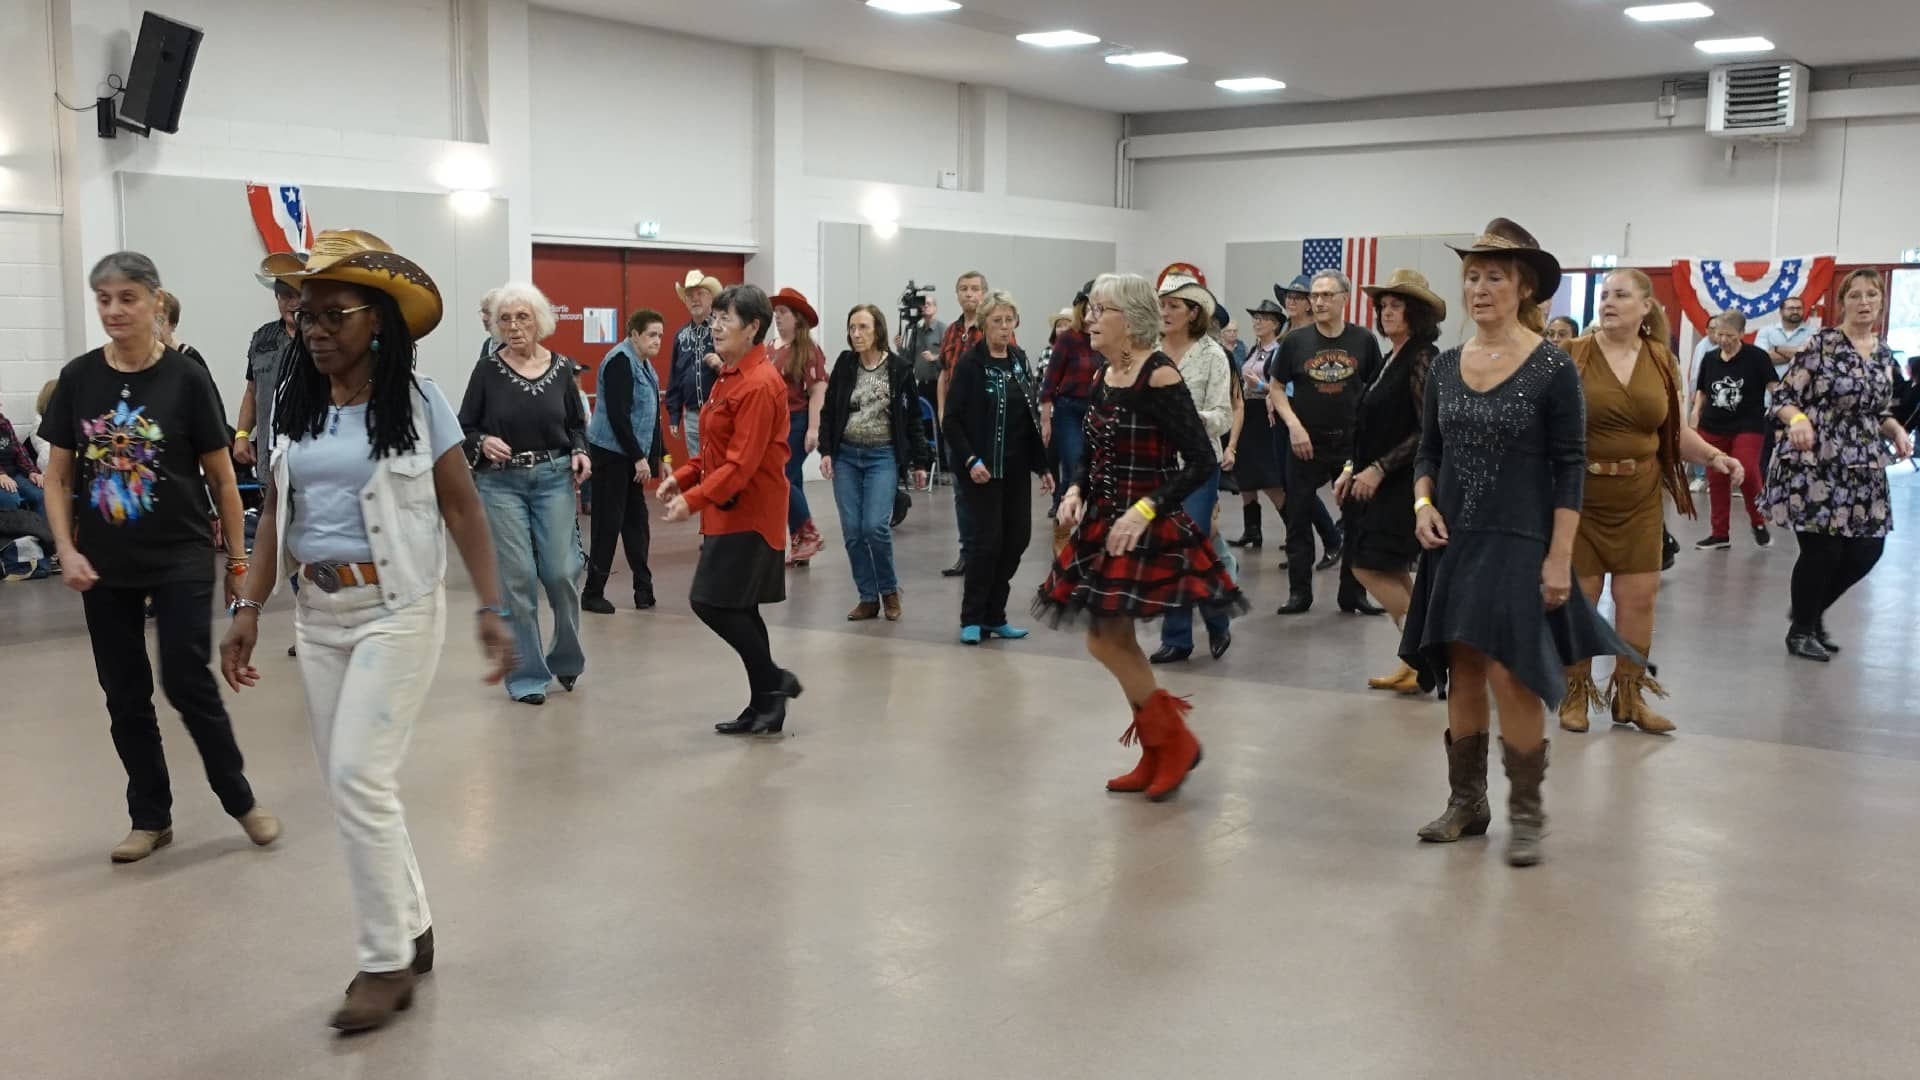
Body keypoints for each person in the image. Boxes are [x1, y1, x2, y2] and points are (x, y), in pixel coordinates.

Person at [216, 229, 513, 1033]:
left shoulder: (421, 405)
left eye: (329, 315)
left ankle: (384, 963)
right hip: (318, 618)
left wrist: (492, 608)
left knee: (356, 777)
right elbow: (277, 513)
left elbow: (463, 508)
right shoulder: (292, 401)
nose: (310, 329)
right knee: (359, 784)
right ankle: (411, 925)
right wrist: (247, 607)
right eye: (301, 316)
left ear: (376, 320)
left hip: (399, 611)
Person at [1400, 218, 1638, 867]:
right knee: (1465, 671)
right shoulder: (1446, 367)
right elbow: (1429, 449)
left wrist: (1561, 555)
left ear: (1523, 285)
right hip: (1452, 540)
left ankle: (1527, 812)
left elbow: (1569, 465)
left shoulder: (1554, 368)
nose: (1480, 288)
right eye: (1472, 276)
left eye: (1494, 276)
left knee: (1512, 673)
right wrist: (1422, 503)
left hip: (1520, 542)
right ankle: (1466, 803)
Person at [39, 251, 280, 864]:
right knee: (123, 693)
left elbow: (223, 480)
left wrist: (238, 559)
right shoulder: (77, 379)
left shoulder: (186, 378)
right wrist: (65, 549)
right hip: (102, 562)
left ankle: (240, 800)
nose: (115, 310)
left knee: (185, 678)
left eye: (127, 298)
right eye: (104, 299)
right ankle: (150, 816)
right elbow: (57, 475)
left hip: (180, 552)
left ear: (154, 302)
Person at [1037, 273, 1247, 800]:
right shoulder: (1106, 374)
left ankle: (1172, 742)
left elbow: (1200, 460)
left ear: (1129, 320)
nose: (1089, 318)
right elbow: (1091, 448)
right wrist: (1076, 488)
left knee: (1105, 638)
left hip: (1144, 525)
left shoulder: (1160, 376)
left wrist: (1147, 509)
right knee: (1111, 639)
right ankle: (1160, 747)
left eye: (1099, 310)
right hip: (1104, 522)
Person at [1560, 269, 1739, 735]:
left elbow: (1675, 434)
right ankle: (1574, 693)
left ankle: (1629, 698)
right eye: (1603, 295)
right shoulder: (1572, 355)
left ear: (1646, 307)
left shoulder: (1661, 359)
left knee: (1639, 599)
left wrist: (1716, 456)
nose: (1608, 302)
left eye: (1620, 295)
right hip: (1580, 495)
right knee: (1580, 598)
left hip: (1639, 497)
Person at [657, 285, 801, 735]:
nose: (715, 326)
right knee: (739, 606)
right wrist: (681, 478)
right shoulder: (730, 375)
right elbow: (715, 453)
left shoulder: (759, 384)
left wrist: (692, 499)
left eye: (726, 318)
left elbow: (742, 465)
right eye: (714, 317)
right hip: (725, 509)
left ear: (753, 327)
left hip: (749, 513)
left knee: (710, 602)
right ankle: (766, 705)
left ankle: (774, 681)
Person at [1768, 268, 1914, 662]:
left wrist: (1895, 428)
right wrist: (1797, 420)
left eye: (1871, 295)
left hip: (1864, 464)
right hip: (1816, 462)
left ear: (1882, 302)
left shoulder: (1884, 354)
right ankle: (1802, 630)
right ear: (1843, 302)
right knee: (1823, 551)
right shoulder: (1823, 345)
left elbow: (1876, 409)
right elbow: (1783, 396)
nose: (1864, 302)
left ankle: (1808, 611)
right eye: (1855, 295)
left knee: (1867, 549)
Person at [460, 282, 591, 705]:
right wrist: (480, 443)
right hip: (501, 484)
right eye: (505, 319)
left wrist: (581, 452)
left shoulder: (562, 368)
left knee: (560, 573)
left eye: (522, 317)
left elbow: (575, 425)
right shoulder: (486, 371)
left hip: (553, 478)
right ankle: (528, 675)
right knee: (517, 580)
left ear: (539, 321)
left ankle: (566, 655)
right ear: (495, 325)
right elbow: (464, 427)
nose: (514, 327)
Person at [1338, 269, 1446, 694]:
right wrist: (1352, 467)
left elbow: (1426, 429)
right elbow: (1370, 426)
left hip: (1403, 484)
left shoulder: (1424, 358)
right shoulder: (1390, 359)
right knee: (1391, 570)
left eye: (1395, 306)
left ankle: (1426, 660)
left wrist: (1380, 467)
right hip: (1373, 480)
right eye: (1382, 306)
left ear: (1415, 313)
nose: (1385, 313)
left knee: (1368, 564)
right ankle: (1414, 661)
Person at [1268, 268, 1385, 615]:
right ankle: (1299, 593)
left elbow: (1375, 390)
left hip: (1350, 446)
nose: (1318, 302)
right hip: (1306, 445)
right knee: (1298, 518)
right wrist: (1294, 426)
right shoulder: (1295, 342)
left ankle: (1353, 594)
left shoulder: (1363, 341)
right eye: (1314, 296)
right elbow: (1275, 387)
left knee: (1357, 521)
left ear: (1344, 299)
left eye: (1326, 295)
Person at [944, 290, 1053, 644]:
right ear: (985, 324)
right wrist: (970, 459)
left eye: (1010, 321)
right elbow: (952, 421)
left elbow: (1030, 419)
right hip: (982, 471)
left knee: (1016, 539)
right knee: (986, 543)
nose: (1005, 328)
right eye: (997, 321)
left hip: (1016, 469)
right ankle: (972, 617)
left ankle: (995, 614)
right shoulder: (970, 366)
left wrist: (1044, 466)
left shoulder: (1020, 360)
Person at [820, 304, 932, 621]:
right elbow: (829, 410)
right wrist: (827, 451)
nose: (856, 334)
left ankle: (889, 590)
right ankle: (867, 597)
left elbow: (912, 420)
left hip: (882, 455)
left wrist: (920, 462)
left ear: (878, 330)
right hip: (846, 456)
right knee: (853, 531)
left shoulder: (898, 369)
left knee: (875, 527)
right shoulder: (845, 364)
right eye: (852, 327)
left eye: (863, 327)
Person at [1148, 276, 1235, 663]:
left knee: (1185, 547)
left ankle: (1193, 630)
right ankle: (1198, 628)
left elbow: (1222, 416)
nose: (1165, 312)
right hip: (1156, 465)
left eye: (1174, 306)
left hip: (1198, 467)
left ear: (1193, 312)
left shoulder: (1213, 355)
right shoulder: (1148, 350)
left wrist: (1181, 416)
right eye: (1162, 305)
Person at [582, 309, 667, 614]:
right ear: (634, 334)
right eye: (651, 335)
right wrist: (638, 458)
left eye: (660, 335)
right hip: (611, 456)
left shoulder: (645, 366)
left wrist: (661, 455)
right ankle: (593, 592)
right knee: (608, 524)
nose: (657, 340)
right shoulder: (620, 361)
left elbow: (651, 415)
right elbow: (619, 416)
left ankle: (643, 590)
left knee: (637, 524)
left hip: (632, 457)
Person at [1691, 308, 1777, 550]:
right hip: (1713, 425)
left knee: (1748, 471)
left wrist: (1789, 412)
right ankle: (1720, 533)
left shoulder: (1757, 357)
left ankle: (1758, 522)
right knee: (1716, 477)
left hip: (1747, 424)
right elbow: (1703, 390)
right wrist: (1696, 411)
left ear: (1741, 333)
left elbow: (1773, 386)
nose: (1724, 340)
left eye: (1730, 335)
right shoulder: (1710, 358)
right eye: (1719, 335)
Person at [937, 271, 992, 578]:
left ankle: (985, 552)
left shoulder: (993, 327)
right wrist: (944, 417)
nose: (969, 294)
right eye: (963, 289)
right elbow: (944, 377)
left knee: (984, 489)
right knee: (960, 491)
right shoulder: (952, 332)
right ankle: (967, 552)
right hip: (955, 425)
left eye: (974, 289)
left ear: (984, 293)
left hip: (983, 423)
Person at [770, 288, 829, 567]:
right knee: (792, 481)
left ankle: (808, 534)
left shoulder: (807, 350)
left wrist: (814, 429)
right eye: (776, 313)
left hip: (797, 421)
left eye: (784, 313)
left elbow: (818, 391)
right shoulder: (771, 348)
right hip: (774, 424)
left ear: (798, 318)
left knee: (780, 477)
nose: (778, 318)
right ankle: (799, 541)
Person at [1227, 300, 1289, 551]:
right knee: (1246, 474)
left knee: (1269, 478)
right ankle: (1252, 530)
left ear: (1275, 324)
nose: (1257, 322)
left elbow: (1282, 387)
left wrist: (1260, 387)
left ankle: (1293, 530)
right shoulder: (1254, 349)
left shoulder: (1278, 351)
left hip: (1266, 415)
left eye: (1263, 318)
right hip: (1248, 414)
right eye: (1256, 318)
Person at [1040, 282, 1097, 541]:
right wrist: (1046, 420)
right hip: (1069, 410)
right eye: (1091, 305)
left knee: (1095, 473)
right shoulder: (1068, 338)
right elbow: (1049, 382)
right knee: (1075, 467)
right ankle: (1062, 540)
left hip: (1098, 410)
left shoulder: (1106, 337)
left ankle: (1084, 540)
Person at [233, 279, 300, 473]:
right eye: (286, 295)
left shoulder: (322, 338)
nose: (294, 303)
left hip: (310, 459)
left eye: (299, 295)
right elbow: (251, 391)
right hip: (268, 458)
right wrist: (242, 434)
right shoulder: (262, 338)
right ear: (277, 297)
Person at [666, 270, 724, 456]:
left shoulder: (722, 330)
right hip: (691, 414)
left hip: (720, 411)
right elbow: (675, 378)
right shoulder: (681, 336)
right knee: (697, 465)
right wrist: (674, 415)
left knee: (719, 463)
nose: (694, 299)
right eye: (690, 296)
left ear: (711, 298)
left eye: (700, 294)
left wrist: (719, 364)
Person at [154, 290, 230, 425]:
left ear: (173, 325)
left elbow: (213, 409)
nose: (153, 327)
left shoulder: (189, 359)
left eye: (159, 320)